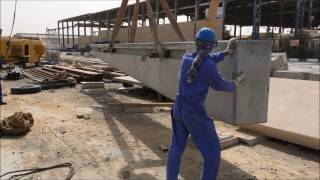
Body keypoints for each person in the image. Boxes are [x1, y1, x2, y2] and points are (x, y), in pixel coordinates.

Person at [166, 27, 246, 180]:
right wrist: (236, 83)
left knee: (176, 148)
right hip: (194, 113)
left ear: (196, 43)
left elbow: (205, 59)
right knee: (212, 150)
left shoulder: (187, 58)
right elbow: (221, 85)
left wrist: (226, 52)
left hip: (178, 109)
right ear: (211, 45)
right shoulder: (208, 66)